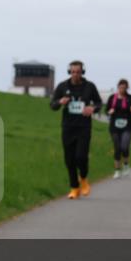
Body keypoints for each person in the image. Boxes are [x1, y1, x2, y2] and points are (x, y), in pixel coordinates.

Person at [50, 61, 102, 199]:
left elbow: (99, 103)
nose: (75, 74)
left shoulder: (89, 87)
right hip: (68, 127)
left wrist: (93, 108)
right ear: (69, 72)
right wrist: (60, 102)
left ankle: (83, 179)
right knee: (69, 159)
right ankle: (74, 187)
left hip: (84, 127)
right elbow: (52, 105)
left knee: (81, 156)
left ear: (82, 72)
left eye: (78, 72)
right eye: (73, 72)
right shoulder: (62, 86)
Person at [107, 79, 131, 178]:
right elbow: (106, 109)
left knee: (124, 147)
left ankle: (126, 165)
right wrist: (109, 111)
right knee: (117, 148)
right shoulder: (112, 97)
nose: (122, 90)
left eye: (124, 88)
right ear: (118, 87)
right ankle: (117, 171)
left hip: (127, 126)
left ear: (127, 88)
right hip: (114, 126)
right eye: (120, 87)